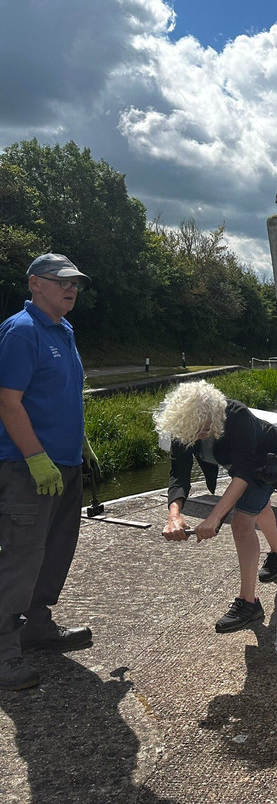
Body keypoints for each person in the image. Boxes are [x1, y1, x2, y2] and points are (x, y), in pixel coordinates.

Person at [0, 253, 98, 691]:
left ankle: (36, 625)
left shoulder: (64, 329)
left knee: (57, 549)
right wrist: (37, 457)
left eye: (75, 281)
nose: (71, 287)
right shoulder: (21, 332)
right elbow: (8, 401)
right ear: (35, 283)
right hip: (27, 467)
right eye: (61, 281)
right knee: (22, 556)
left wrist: (78, 446)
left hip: (66, 464)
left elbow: (60, 396)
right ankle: (3, 650)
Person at [154, 380, 277, 633]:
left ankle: (249, 604)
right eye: (191, 431)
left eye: (202, 428)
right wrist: (173, 516)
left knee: (241, 521)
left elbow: (243, 472)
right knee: (258, 507)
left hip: (268, 456)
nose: (196, 435)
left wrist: (214, 518)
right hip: (243, 464)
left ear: (215, 414)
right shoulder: (185, 427)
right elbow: (178, 475)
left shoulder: (236, 415)